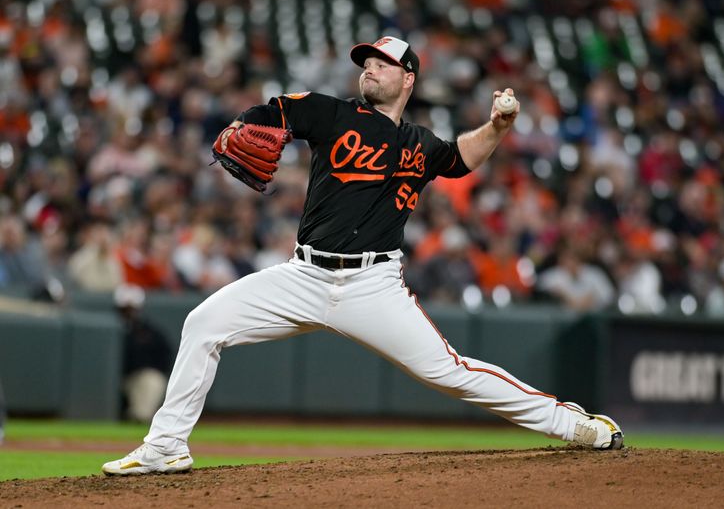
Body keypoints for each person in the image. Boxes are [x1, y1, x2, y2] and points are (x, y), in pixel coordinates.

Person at [102, 36, 623, 476]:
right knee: (202, 323)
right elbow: (280, 109)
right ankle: (167, 446)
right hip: (303, 275)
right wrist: (250, 120)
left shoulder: (420, 144)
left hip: (374, 286)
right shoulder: (334, 114)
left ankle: (571, 424)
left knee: (452, 372)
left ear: (409, 79)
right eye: (366, 63)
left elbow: (461, 160)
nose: (370, 69)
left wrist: (498, 128)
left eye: (382, 63)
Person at [114, 284, 173, 423]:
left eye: (132, 309)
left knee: (152, 380)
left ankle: (137, 419)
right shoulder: (107, 328)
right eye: (125, 309)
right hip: (112, 378)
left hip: (139, 377)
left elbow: (165, 356)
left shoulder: (149, 332)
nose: (129, 313)